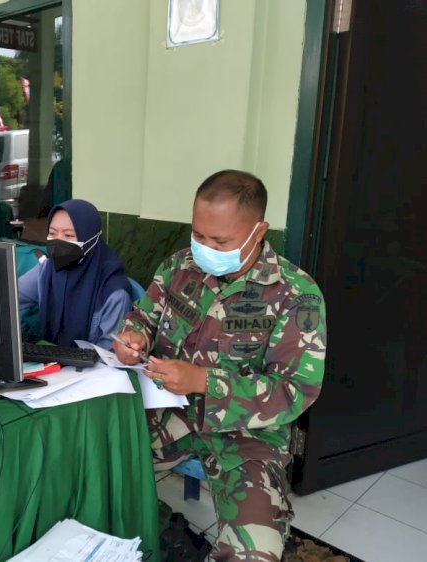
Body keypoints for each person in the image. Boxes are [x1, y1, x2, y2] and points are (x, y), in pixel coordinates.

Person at [113, 170, 326, 561]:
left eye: (220, 240)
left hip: (247, 435)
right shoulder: (179, 267)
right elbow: (143, 316)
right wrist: (133, 337)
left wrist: (203, 381)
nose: (205, 248)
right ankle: (165, 530)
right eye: (198, 235)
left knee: (255, 554)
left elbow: (294, 391)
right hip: (165, 415)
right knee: (95, 477)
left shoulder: (296, 294)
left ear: (258, 230)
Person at [18, 199, 132, 350]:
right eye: (52, 233)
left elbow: (110, 353)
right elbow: (11, 297)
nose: (58, 241)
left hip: (91, 370)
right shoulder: (47, 270)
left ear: (91, 238)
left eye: (69, 235)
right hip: (49, 363)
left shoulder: (113, 292)